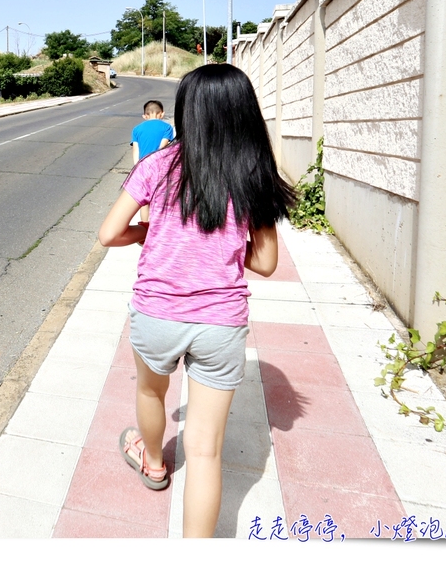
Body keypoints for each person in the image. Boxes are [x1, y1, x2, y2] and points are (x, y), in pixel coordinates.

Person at [98, 64, 295, 537]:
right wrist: (225, 243)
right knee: (206, 453)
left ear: (185, 113)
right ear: (244, 113)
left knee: (150, 391)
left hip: (157, 312)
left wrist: (148, 230)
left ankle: (153, 463)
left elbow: (108, 233)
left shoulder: (155, 165)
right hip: (220, 323)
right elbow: (266, 263)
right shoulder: (253, 171)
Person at [130, 100, 175, 223]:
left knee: (145, 202)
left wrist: (136, 167)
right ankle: (157, 228)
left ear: (145, 116)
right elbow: (162, 148)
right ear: (162, 114)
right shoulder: (167, 127)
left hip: (142, 168)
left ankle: (144, 230)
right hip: (160, 169)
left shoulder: (136, 129)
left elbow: (135, 150)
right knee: (159, 199)